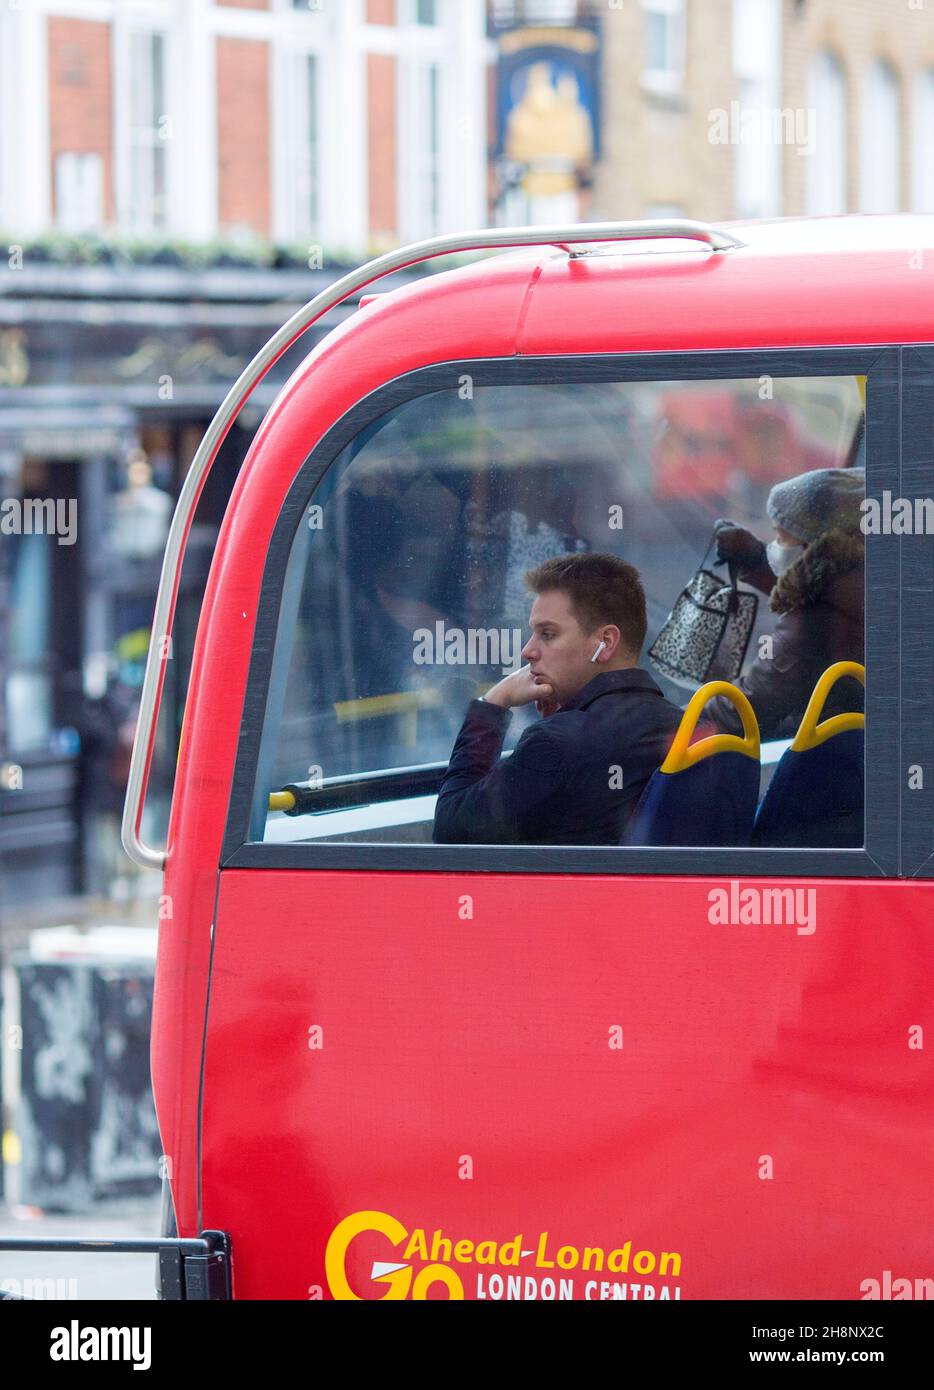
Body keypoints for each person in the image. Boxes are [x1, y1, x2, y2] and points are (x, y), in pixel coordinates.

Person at [432, 553, 683, 845]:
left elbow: (451, 831)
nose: (527, 651)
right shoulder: (686, 727)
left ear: (606, 643)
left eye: (547, 634)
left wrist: (493, 703)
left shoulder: (556, 743)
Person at [708, 467, 864, 740]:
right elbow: (826, 593)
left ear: (813, 545)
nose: (776, 544)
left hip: (840, 763)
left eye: (780, 535)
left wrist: (668, 724)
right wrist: (756, 562)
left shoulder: (813, 623)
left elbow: (745, 711)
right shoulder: (867, 578)